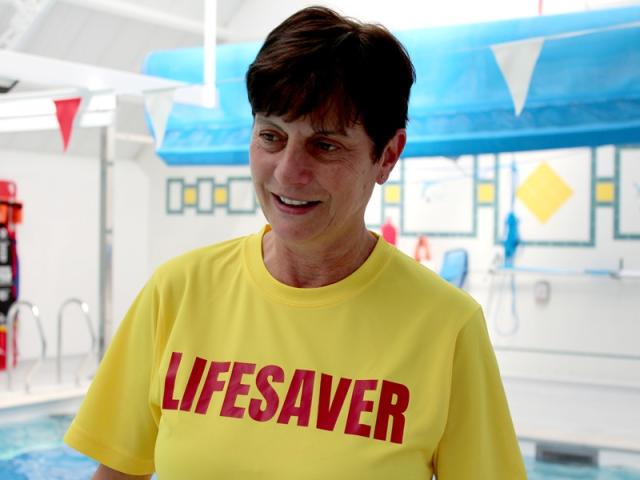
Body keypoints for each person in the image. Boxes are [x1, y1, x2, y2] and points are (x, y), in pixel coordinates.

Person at [64, 6, 527, 479]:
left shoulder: (445, 327)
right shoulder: (177, 293)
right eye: (271, 136)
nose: (288, 172)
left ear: (387, 156)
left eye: (325, 145)